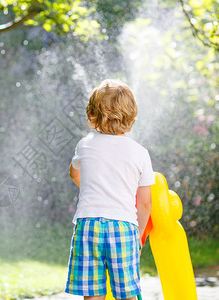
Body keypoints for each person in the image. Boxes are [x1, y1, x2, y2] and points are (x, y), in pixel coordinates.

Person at [65, 79, 154, 300]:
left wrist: (91, 186)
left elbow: (74, 173)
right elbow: (144, 203)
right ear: (132, 120)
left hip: (88, 225)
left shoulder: (84, 145)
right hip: (123, 227)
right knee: (127, 294)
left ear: (91, 116)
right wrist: (138, 239)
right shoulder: (140, 153)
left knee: (92, 294)